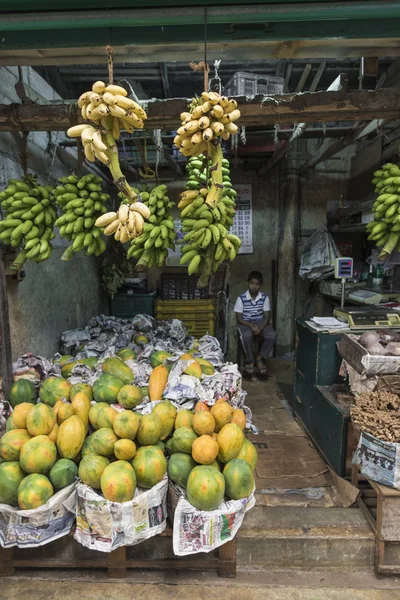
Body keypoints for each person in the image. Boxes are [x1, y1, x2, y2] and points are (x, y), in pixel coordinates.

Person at [234, 271, 277, 376]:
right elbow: (239, 318)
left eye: (257, 284)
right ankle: (250, 360)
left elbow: (267, 316)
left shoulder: (264, 298)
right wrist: (251, 326)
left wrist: (260, 328)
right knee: (247, 335)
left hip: (260, 322)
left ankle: (260, 358)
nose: (254, 286)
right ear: (248, 283)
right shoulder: (241, 298)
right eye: (252, 283)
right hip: (245, 322)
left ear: (260, 285)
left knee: (272, 335)